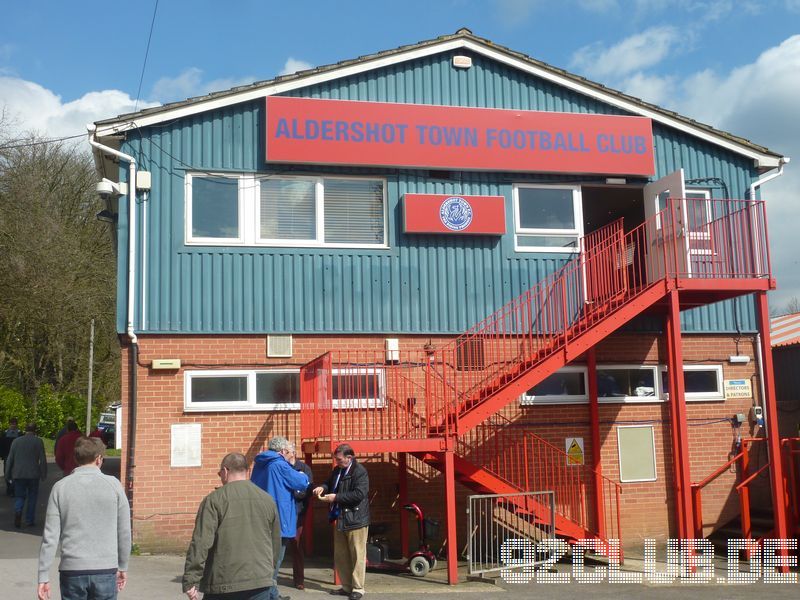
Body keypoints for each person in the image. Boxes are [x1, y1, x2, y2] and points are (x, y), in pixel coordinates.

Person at [37, 436, 131, 600]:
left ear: (75, 459)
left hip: (72, 570)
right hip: (105, 568)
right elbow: (124, 531)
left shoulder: (60, 488)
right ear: (99, 459)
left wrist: (43, 575)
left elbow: (50, 536)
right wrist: (123, 565)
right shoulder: (114, 485)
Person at [182, 452, 282, 600]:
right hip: (260, 581)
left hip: (223, 582)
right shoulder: (267, 500)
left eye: (219, 473)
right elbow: (275, 542)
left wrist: (191, 579)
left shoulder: (214, 500)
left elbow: (201, 542)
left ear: (225, 471)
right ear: (247, 471)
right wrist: (268, 572)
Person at [251, 437, 309, 600]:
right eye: (291, 452)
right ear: (282, 451)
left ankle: (272, 594)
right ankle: (267, 595)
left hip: (262, 516)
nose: (292, 455)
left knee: (265, 559)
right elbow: (301, 482)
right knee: (275, 561)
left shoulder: (260, 464)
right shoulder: (280, 464)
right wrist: (301, 474)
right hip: (279, 517)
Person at [313, 444, 370, 600]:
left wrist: (336, 497)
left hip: (356, 519)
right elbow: (329, 483)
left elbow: (359, 494)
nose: (336, 462)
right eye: (336, 459)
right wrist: (322, 488)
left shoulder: (359, 472)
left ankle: (358, 588)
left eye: (339, 459)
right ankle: (346, 586)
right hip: (340, 518)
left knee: (357, 555)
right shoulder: (338, 470)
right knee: (341, 555)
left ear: (349, 458)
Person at [4, 422, 47, 528]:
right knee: (32, 497)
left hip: (18, 473)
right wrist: (43, 473)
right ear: (35, 430)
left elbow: (10, 459)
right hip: (33, 474)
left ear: (25, 429)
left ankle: (18, 511)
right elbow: (42, 459)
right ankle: (29, 520)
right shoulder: (38, 441)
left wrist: (7, 474)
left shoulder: (16, 441)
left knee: (20, 496)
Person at [289, 450, 313, 591]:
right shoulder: (282, 467)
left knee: (297, 546)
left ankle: (299, 580)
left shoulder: (304, 469)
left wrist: (292, 493)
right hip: (284, 512)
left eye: (285, 451)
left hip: (298, 512)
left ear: (293, 452)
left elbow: (307, 489)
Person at [0, 417, 23, 495]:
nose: (13, 425)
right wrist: (2, 455)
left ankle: (13, 488)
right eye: (12, 423)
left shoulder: (20, 434)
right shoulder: (4, 433)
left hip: (17, 456)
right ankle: (9, 486)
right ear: (9, 424)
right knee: (7, 472)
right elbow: (1, 445)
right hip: (7, 455)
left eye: (14, 424)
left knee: (15, 472)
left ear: (17, 424)